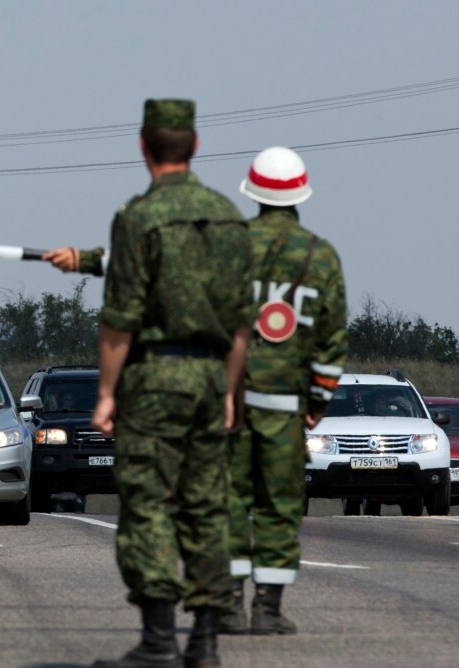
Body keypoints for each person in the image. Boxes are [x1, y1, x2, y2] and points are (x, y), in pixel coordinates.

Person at [45, 146, 348, 641]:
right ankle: (268, 609)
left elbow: (158, 269)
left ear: (251, 191)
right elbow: (332, 340)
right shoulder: (321, 257)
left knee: (227, 500)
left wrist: (85, 260)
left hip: (225, 397)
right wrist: (316, 401)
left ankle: (227, 604)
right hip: (282, 405)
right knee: (280, 504)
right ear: (300, 195)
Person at [43, 99, 252, 668]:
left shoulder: (138, 217)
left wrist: (107, 393)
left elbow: (121, 318)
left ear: (143, 146)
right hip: (212, 376)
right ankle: (206, 642)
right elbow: (241, 323)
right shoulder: (230, 218)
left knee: (149, 506)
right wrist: (231, 391)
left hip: (156, 378)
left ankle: (160, 640)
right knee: (208, 506)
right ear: (195, 146)